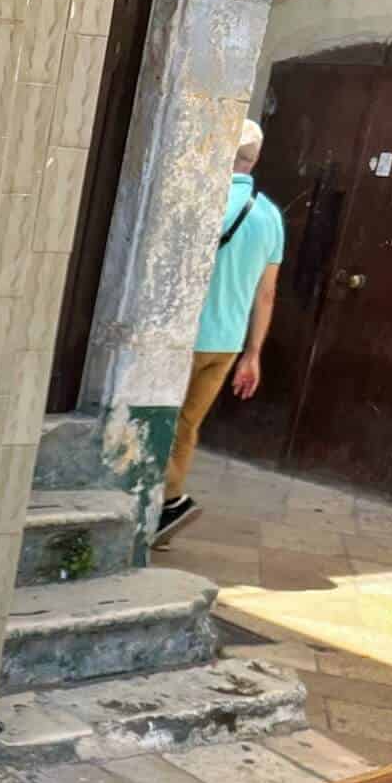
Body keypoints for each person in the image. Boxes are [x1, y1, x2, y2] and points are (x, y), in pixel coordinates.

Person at [154, 118, 283, 545]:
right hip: (226, 345)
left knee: (156, 423)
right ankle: (167, 507)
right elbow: (266, 295)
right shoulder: (269, 216)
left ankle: (153, 509)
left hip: (183, 337)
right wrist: (254, 354)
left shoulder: (203, 199)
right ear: (257, 158)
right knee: (187, 427)